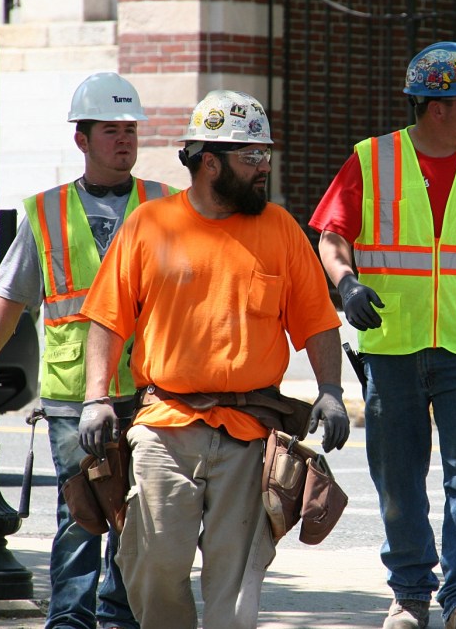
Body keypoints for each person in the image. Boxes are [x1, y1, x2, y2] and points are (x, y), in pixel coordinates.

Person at [78, 89, 350, 629]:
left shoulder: (281, 230)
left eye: (265, 155)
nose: (262, 168)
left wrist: (332, 392)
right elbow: (107, 318)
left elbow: (318, 322)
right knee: (152, 560)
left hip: (251, 431)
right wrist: (95, 399)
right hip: (164, 424)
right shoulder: (149, 225)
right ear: (209, 162)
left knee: (238, 577)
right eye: (250, 157)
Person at [309, 40, 456, 629]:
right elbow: (332, 237)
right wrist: (347, 284)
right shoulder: (372, 160)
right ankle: (409, 595)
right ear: (437, 105)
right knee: (399, 481)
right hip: (392, 349)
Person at [0, 71, 179, 629]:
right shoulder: (45, 214)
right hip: (76, 395)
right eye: (110, 130)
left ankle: (119, 617)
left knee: (137, 516)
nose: (124, 140)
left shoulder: (167, 206)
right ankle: (70, 620)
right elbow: (8, 300)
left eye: (130, 129)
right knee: (80, 514)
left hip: (150, 388)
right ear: (82, 139)